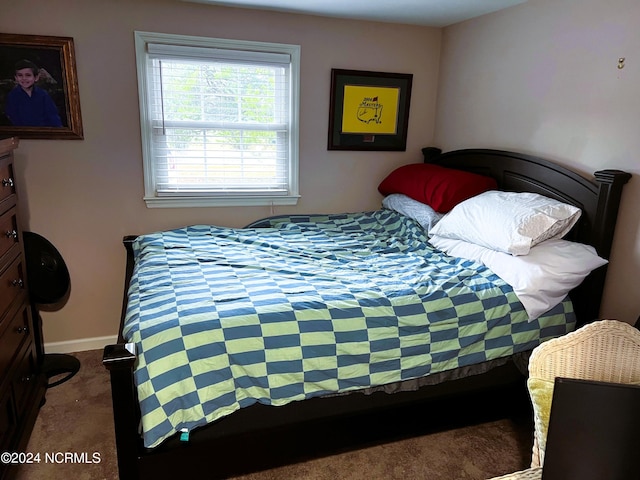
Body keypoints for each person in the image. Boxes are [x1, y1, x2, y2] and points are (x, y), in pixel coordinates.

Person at [4, 59, 63, 127]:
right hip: (23, 132)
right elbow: (12, 117)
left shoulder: (43, 94)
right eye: (20, 75)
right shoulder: (13, 96)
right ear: (16, 78)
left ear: (36, 77)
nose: (24, 78)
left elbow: (53, 115)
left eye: (28, 75)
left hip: (45, 132)